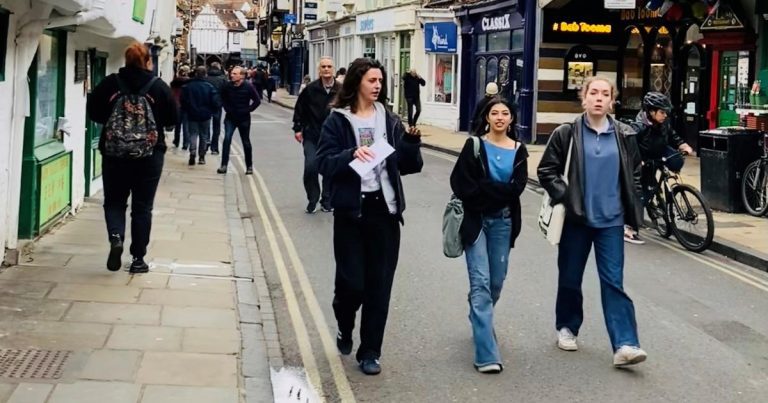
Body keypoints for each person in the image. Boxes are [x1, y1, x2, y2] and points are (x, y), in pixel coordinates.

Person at [316, 58, 423, 376]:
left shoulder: (389, 119)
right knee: (352, 284)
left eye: (380, 80)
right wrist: (350, 155)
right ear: (357, 83)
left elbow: (407, 166)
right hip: (351, 212)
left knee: (379, 286)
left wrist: (410, 143)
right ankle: (344, 324)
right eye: (372, 80)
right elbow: (323, 162)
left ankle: (370, 351)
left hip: (385, 213)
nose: (377, 85)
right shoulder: (338, 120)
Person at [537, 76, 647, 368]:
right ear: (583, 98)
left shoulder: (624, 134)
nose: (599, 98)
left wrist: (630, 212)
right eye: (593, 93)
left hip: (611, 221)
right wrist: (568, 198)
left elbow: (634, 173)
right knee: (571, 279)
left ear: (613, 100)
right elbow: (546, 170)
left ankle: (625, 343)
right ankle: (567, 327)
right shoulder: (567, 133)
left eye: (605, 94)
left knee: (614, 282)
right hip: (577, 220)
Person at [449, 98, 528, 373]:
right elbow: (462, 184)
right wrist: (495, 192)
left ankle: (477, 313)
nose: (499, 117)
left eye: (505, 113)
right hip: (476, 222)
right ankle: (486, 354)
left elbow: (516, 188)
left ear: (512, 120)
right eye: (494, 113)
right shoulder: (474, 145)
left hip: (503, 223)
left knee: (495, 283)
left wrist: (486, 189)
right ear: (486, 117)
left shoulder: (519, 150)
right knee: (481, 283)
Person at [87, 41, 178, 273]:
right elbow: (172, 120)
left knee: (115, 202)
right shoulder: (159, 87)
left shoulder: (110, 84)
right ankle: (138, 258)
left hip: (114, 155)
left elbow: (94, 113)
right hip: (149, 156)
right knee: (142, 207)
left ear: (126, 60)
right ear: (148, 61)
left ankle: (116, 237)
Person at [624, 92, 695, 244]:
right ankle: (628, 226)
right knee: (644, 192)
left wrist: (683, 144)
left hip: (660, 150)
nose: (665, 115)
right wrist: (638, 162)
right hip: (644, 159)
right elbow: (630, 147)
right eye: (662, 112)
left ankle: (664, 190)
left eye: (666, 112)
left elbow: (672, 135)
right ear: (651, 111)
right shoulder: (639, 127)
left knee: (677, 160)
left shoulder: (664, 123)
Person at [293, 57, 341, 214]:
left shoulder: (341, 90)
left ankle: (327, 200)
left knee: (330, 169)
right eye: (323, 67)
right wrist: (298, 129)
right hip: (312, 135)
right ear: (319, 70)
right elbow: (299, 109)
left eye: (329, 66)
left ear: (333, 69)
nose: (326, 69)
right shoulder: (310, 89)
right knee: (311, 167)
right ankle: (313, 198)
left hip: (333, 138)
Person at [218, 66, 261, 175]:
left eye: (234, 73)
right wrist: (226, 107)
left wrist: (248, 110)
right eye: (231, 73)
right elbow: (221, 98)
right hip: (230, 118)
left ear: (241, 76)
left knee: (246, 142)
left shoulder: (248, 86)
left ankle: (249, 166)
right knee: (227, 139)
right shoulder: (227, 86)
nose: (231, 75)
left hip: (244, 119)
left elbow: (257, 101)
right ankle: (224, 165)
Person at [181, 66, 221, 166]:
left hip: (192, 114)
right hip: (206, 115)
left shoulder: (188, 86)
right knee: (204, 135)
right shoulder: (209, 86)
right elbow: (215, 102)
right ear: (205, 74)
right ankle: (202, 157)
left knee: (193, 134)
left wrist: (187, 109)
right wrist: (212, 110)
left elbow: (183, 100)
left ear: (195, 74)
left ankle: (192, 152)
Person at [205, 62, 227, 155]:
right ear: (219, 68)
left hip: (206, 105)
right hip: (218, 105)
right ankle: (215, 148)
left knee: (206, 125)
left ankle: (206, 143)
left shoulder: (206, 78)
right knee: (216, 127)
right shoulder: (223, 79)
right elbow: (226, 92)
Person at [170, 66, 190, 148]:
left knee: (177, 125)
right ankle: (185, 143)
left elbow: (171, 93)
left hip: (176, 105)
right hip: (186, 106)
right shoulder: (189, 82)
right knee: (186, 126)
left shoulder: (175, 82)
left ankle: (176, 141)